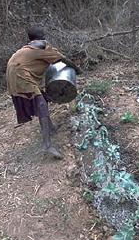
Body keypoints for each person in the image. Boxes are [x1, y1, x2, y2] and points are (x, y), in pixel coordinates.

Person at [6, 27, 82, 159]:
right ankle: (47, 145)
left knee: (42, 98)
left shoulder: (27, 48)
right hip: (22, 76)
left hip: (12, 75)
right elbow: (63, 60)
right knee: (40, 103)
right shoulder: (42, 47)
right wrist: (77, 69)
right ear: (42, 37)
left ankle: (51, 128)